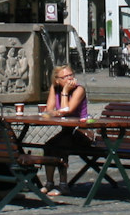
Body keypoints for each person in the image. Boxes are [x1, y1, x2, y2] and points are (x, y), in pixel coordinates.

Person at [41, 65, 96, 196]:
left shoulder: (79, 90)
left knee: (59, 146)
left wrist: (65, 91)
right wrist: (53, 112)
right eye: (65, 77)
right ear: (57, 80)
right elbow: (48, 111)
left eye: (71, 75)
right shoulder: (54, 88)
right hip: (67, 132)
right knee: (48, 146)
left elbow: (67, 110)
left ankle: (63, 185)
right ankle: (49, 183)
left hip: (83, 133)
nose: (70, 78)